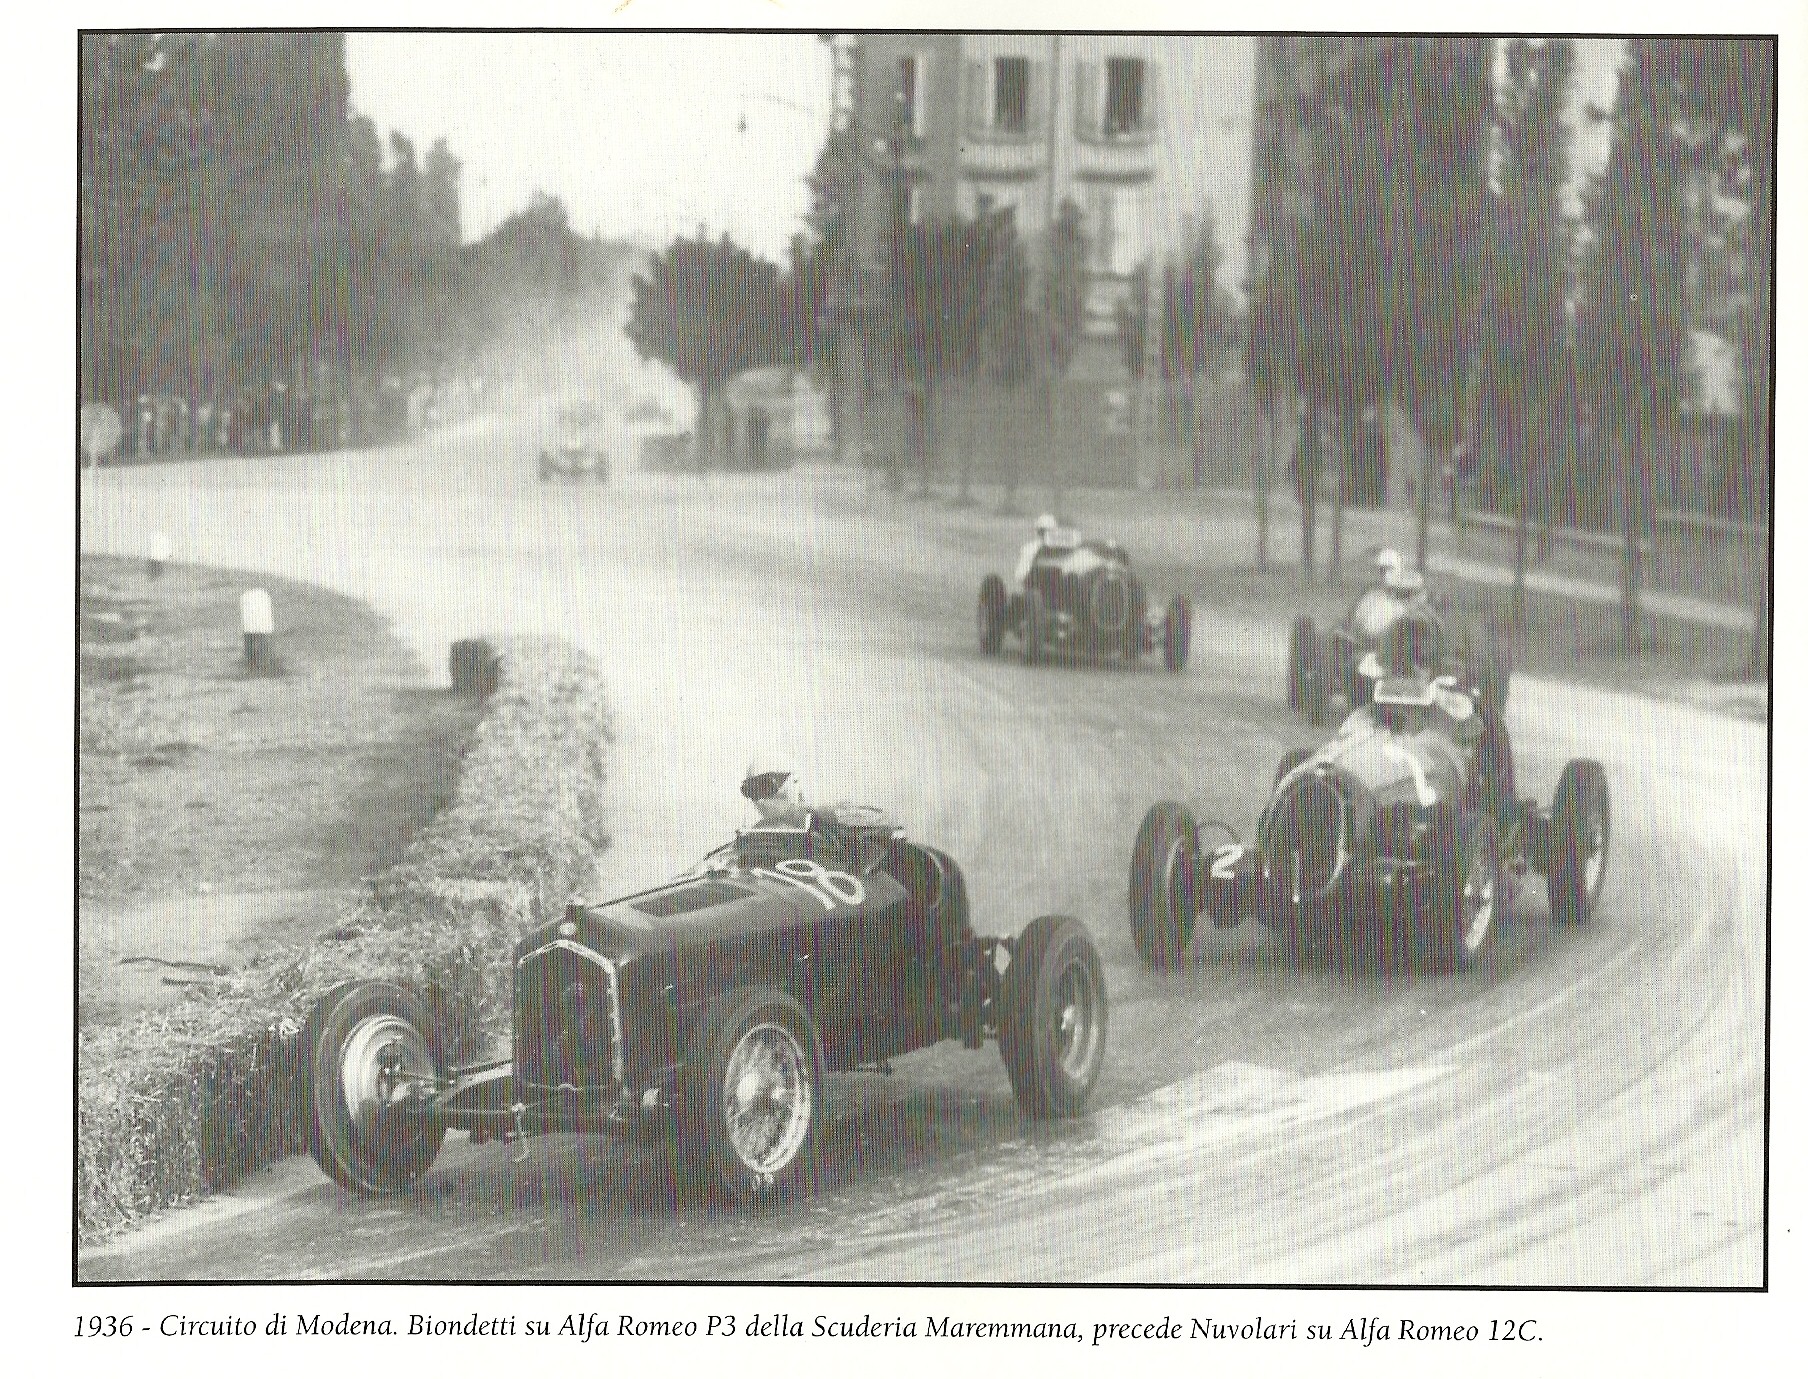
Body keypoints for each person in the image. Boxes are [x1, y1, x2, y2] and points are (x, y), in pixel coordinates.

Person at [1014, 513, 1061, 585]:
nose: (1045, 534)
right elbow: (1020, 575)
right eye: (1043, 531)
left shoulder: (1062, 549)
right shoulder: (1028, 549)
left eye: (1048, 531)